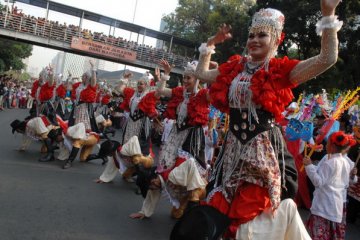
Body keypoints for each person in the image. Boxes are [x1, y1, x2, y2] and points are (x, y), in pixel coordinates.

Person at [192, 0, 342, 239]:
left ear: (276, 39)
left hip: (261, 152)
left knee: (250, 216)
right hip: (231, 152)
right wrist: (210, 44)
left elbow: (327, 58)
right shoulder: (235, 69)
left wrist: (328, 14)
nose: (254, 40)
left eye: (262, 35)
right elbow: (200, 73)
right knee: (220, 214)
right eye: (251, 35)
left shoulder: (280, 71)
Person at [304, 131, 357, 239]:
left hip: (324, 205)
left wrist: (309, 166)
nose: (326, 145)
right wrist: (311, 166)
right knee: (332, 234)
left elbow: (318, 181)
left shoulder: (331, 162)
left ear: (332, 146)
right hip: (336, 204)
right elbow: (348, 181)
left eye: (327, 143)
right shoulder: (343, 162)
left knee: (320, 234)